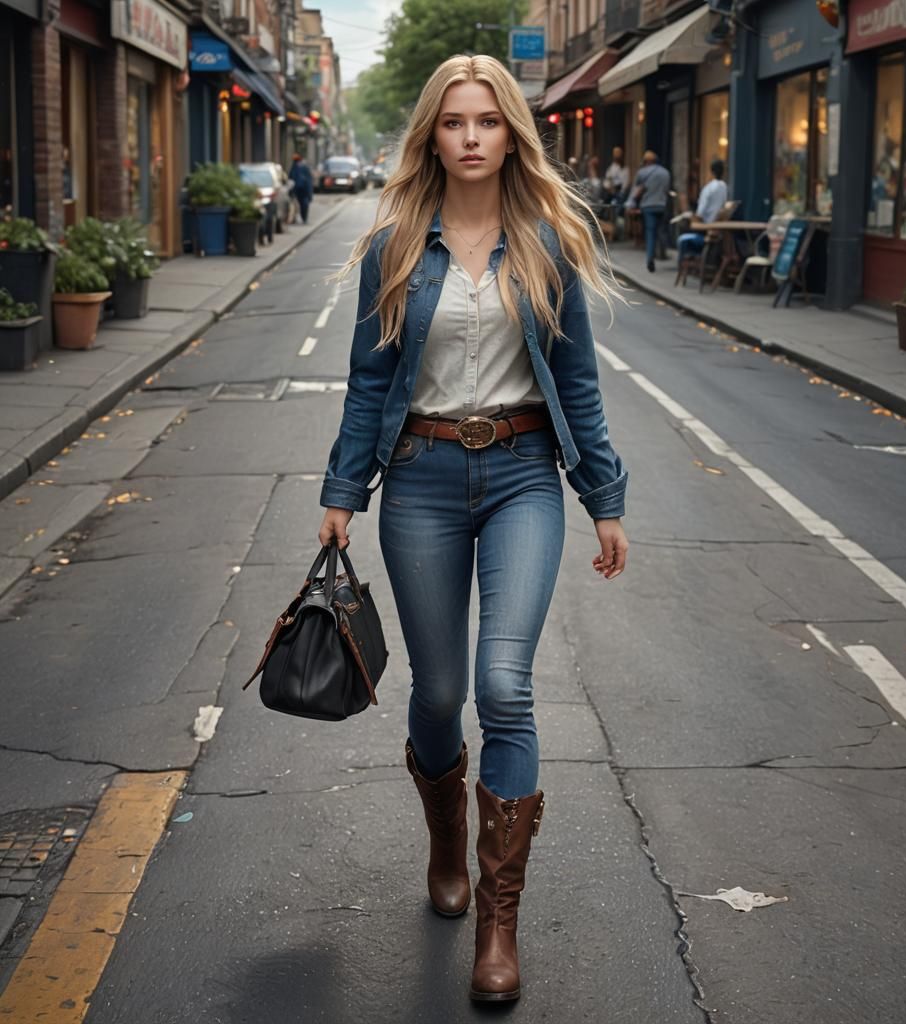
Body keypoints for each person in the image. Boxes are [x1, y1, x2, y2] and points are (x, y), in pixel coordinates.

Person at [318, 54, 629, 1004]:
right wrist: (342, 491)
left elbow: (575, 381)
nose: (470, 137)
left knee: (504, 684)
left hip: (526, 474)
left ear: (511, 133)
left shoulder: (548, 239)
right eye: (453, 122)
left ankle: (500, 921)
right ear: (433, 134)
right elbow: (372, 379)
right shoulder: (396, 246)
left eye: (487, 121)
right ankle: (445, 838)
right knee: (439, 692)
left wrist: (605, 498)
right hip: (418, 475)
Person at [676, 158, 729, 262]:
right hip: (717, 228)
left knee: (682, 229)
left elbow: (700, 213)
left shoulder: (708, 188)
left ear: (711, 171)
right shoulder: (724, 187)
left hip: (705, 228)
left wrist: (690, 215)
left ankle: (684, 262)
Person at [627, 149, 670, 272]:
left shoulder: (642, 173)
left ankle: (650, 259)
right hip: (662, 205)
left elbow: (635, 190)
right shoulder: (665, 173)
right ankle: (662, 252)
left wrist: (630, 204)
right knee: (661, 231)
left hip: (648, 206)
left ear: (646, 161)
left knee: (650, 233)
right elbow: (666, 190)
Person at [288, 153, 314, 224]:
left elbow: (309, 180)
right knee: (299, 205)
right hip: (298, 190)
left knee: (304, 204)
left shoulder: (303, 167)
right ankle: (301, 218)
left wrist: (309, 192)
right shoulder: (295, 167)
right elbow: (291, 178)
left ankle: (304, 218)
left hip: (303, 190)